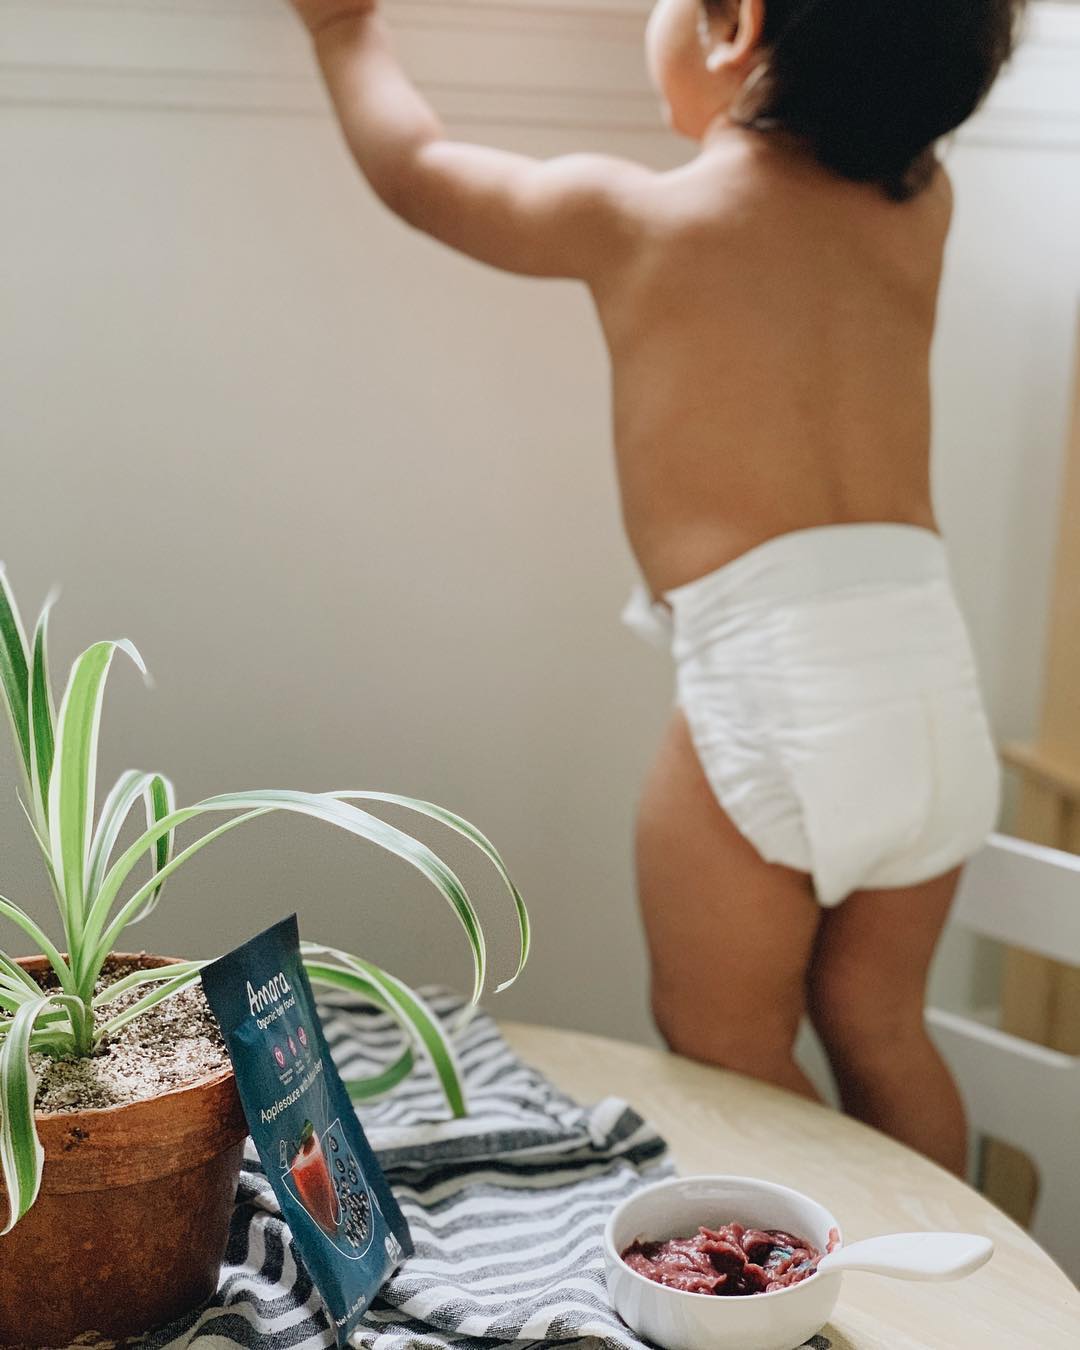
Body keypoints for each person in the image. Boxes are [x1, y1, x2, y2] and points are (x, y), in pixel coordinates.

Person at [286, 0, 1023, 1174]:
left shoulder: (637, 217)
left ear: (738, 25)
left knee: (724, 1045)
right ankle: (959, 1289)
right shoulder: (921, 208)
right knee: (884, 1030)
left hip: (771, 690)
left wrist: (341, 33)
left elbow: (420, 170)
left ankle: (831, 1280)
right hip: (929, 691)